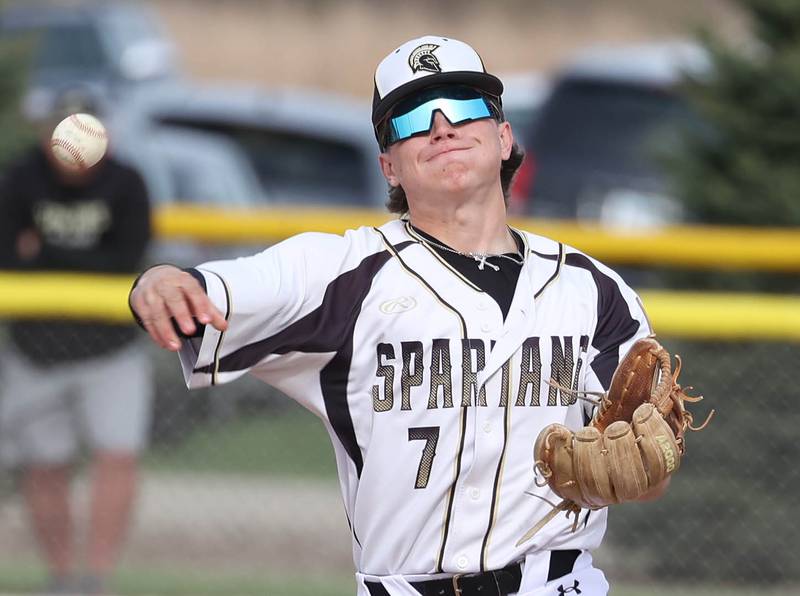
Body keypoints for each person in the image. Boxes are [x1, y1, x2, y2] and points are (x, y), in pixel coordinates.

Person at [129, 36, 668, 596]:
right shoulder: (342, 275)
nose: (441, 127)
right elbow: (212, 290)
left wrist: (640, 470)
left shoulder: (593, 291)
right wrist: (160, 281)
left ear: (504, 138)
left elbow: (651, 474)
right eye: (411, 118)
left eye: (463, 106)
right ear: (389, 166)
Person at [0, 92, 153, 595]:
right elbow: (6, 255)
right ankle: (63, 580)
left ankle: (95, 580)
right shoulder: (21, 178)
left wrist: (41, 251)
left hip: (109, 349)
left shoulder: (126, 182)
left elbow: (126, 258)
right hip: (34, 350)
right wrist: (77, 259)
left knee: (117, 455)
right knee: (44, 463)